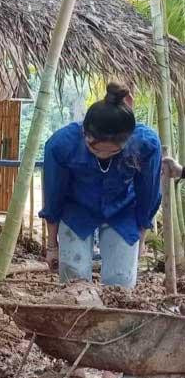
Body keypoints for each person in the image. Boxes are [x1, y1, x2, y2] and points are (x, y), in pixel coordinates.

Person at [40, 82, 161, 289]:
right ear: (85, 134)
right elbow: (53, 196)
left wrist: (140, 240)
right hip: (77, 209)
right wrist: (52, 246)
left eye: (112, 152)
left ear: (127, 141)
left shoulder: (146, 145)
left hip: (123, 210)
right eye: (96, 150)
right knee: (73, 279)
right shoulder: (61, 145)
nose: (103, 155)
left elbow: (148, 195)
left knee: (121, 282)